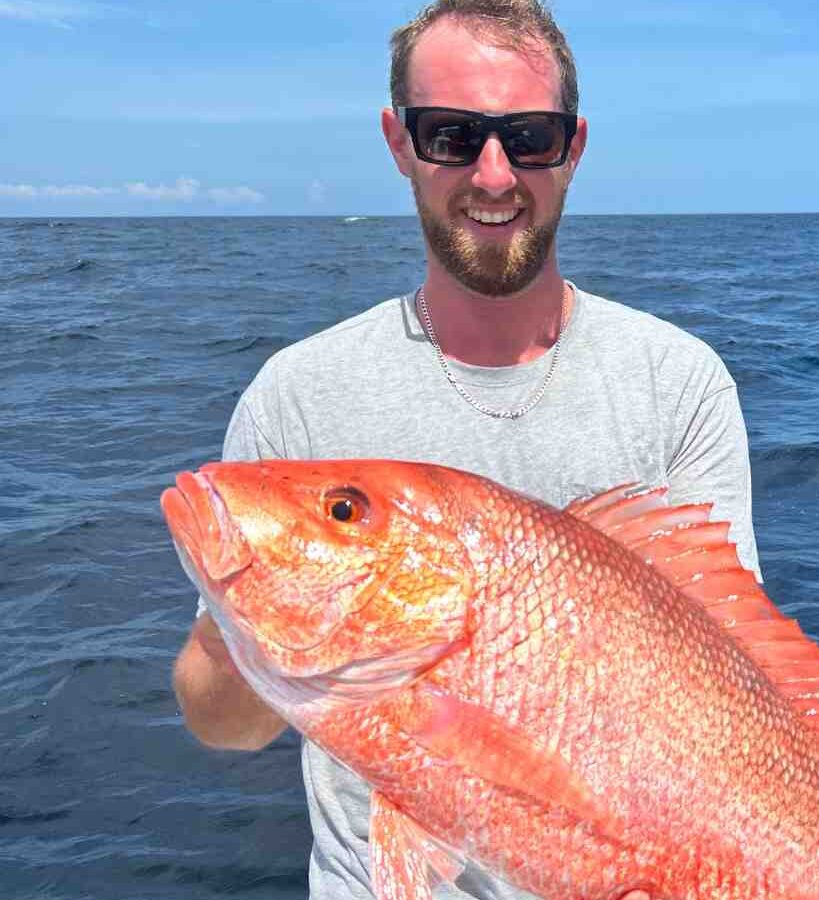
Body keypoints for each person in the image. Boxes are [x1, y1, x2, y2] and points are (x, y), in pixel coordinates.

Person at [172, 1, 759, 897]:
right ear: (399, 143)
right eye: (450, 135)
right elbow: (224, 726)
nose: (493, 174)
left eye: (530, 138)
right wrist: (253, 628)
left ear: (573, 148)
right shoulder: (297, 395)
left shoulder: (680, 384)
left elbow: (739, 689)